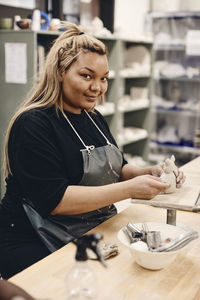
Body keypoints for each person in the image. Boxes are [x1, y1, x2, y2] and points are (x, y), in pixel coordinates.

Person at [0, 22, 185, 279]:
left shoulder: (93, 117)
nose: (97, 88)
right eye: (86, 76)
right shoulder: (33, 124)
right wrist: (130, 189)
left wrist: (148, 172)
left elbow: (115, 168)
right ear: (61, 71)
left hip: (85, 228)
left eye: (103, 78)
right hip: (33, 238)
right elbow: (55, 201)